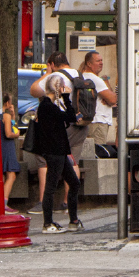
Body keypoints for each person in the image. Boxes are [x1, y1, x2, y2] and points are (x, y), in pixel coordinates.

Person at [28, 52, 91, 207]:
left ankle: (43, 201)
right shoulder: (78, 74)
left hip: (62, 126)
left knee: (43, 160)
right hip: (81, 125)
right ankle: (68, 201)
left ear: (52, 64)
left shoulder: (54, 76)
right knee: (72, 161)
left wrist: (48, 73)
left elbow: (34, 90)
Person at [34, 74, 81, 233]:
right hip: (54, 152)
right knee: (51, 187)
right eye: (63, 87)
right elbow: (71, 116)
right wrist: (67, 97)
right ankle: (47, 223)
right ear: (58, 88)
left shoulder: (48, 105)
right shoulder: (48, 106)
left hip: (59, 151)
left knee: (74, 183)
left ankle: (73, 220)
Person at [78, 51, 117, 147]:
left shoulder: (82, 76)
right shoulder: (95, 79)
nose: (101, 63)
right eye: (98, 61)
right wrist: (107, 93)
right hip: (98, 122)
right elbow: (113, 100)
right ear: (89, 64)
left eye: (101, 60)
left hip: (89, 120)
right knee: (98, 150)